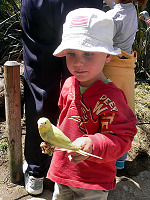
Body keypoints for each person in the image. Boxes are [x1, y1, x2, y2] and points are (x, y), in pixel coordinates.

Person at [46, 8, 137, 199]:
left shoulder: (112, 97)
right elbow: (65, 121)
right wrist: (54, 141)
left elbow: (124, 137)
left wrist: (93, 144)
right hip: (63, 172)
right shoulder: (69, 84)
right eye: (71, 53)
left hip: (93, 181)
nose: (78, 62)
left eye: (88, 53)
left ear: (107, 56)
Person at [20, 0, 104, 195]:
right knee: (80, 80)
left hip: (39, 6)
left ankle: (36, 173)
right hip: (84, 3)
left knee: (40, 86)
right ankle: (76, 168)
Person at [103, 0, 147, 169]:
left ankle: (109, 158)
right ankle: (121, 157)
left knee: (109, 113)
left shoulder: (111, 16)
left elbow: (105, 38)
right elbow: (120, 13)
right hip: (127, 66)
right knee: (125, 111)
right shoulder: (132, 10)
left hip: (110, 67)